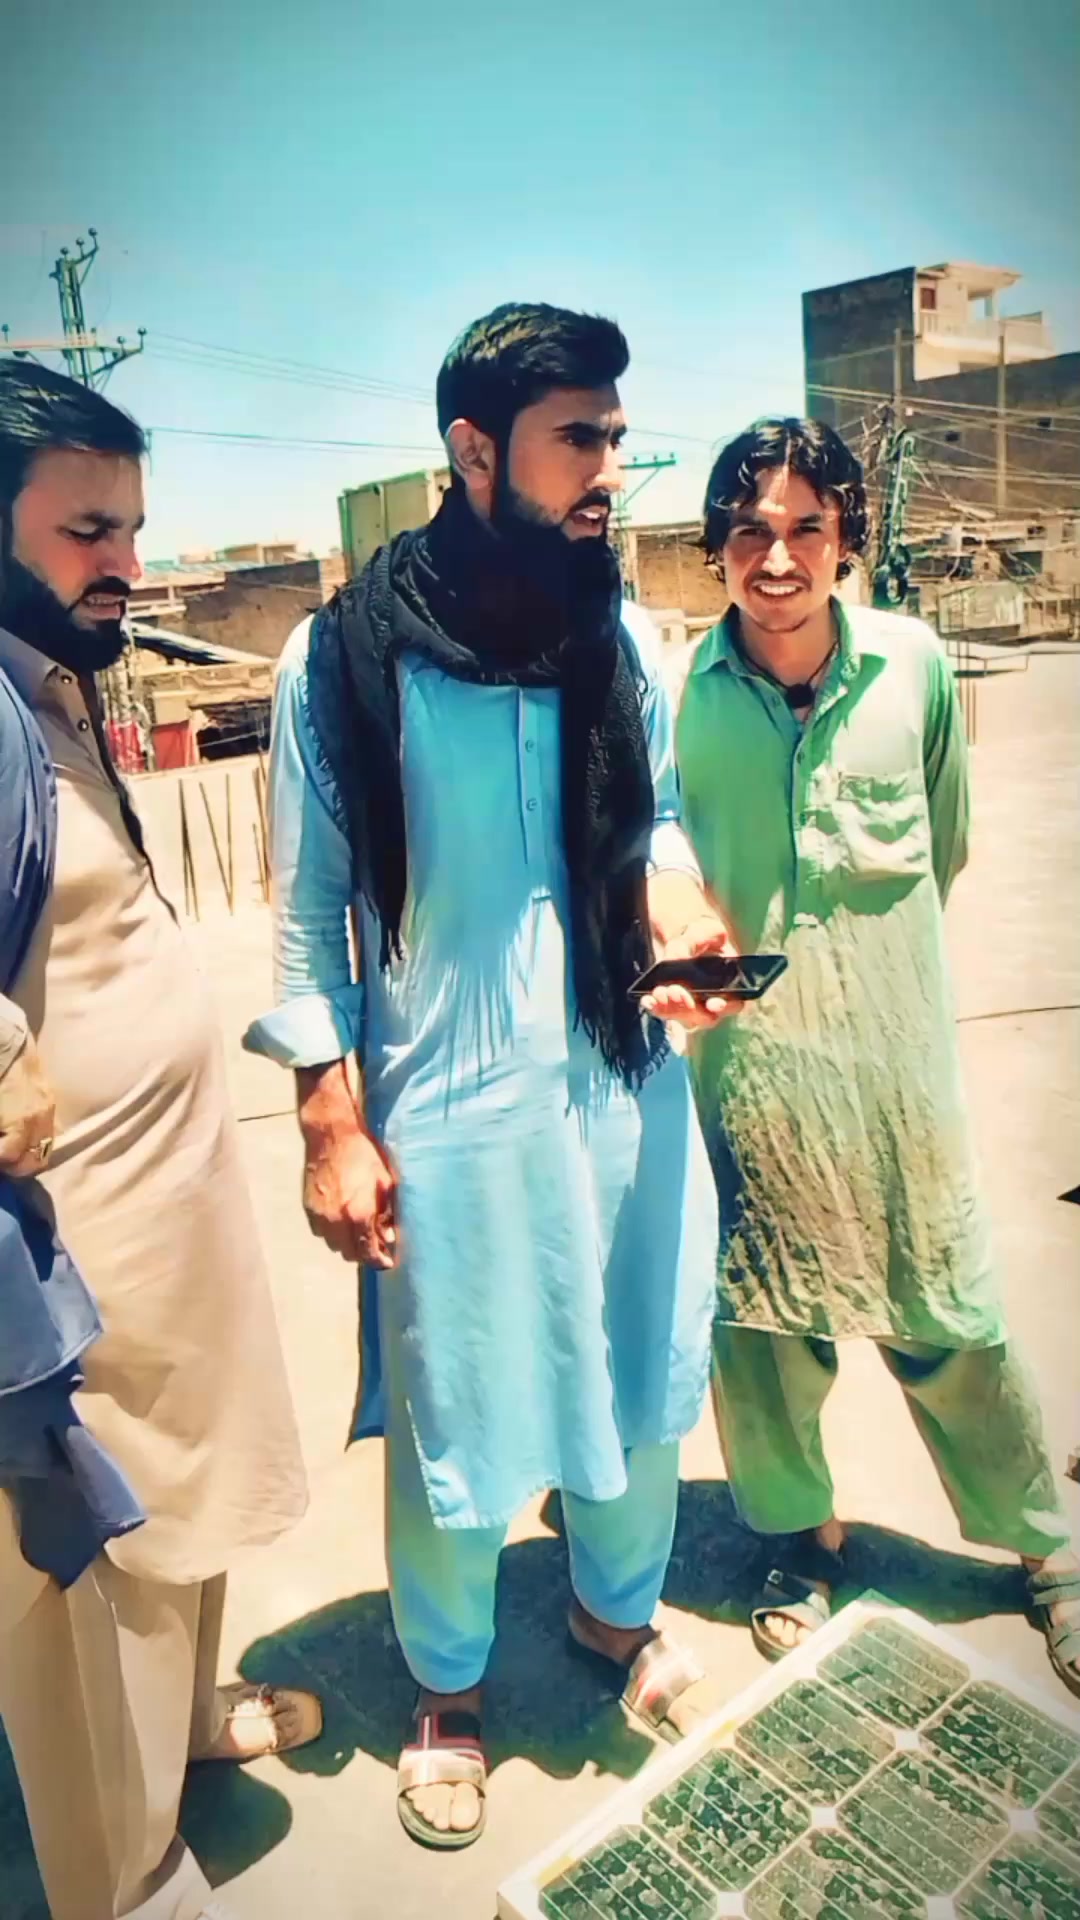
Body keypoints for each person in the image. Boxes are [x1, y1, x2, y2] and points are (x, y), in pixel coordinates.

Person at [245, 303, 732, 1849]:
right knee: (454, 1402)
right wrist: (330, 1116)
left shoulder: (621, 634)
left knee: (638, 1365)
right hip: (447, 1104)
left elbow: (652, 821)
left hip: (621, 1078)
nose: (611, 469)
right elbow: (310, 909)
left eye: (615, 435)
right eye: (578, 437)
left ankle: (615, 1610)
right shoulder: (343, 655)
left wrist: (679, 902)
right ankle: (447, 1685)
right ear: (473, 449)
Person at [674, 414, 1079, 1696]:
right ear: (716, 546)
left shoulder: (914, 666)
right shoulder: (681, 694)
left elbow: (944, 843)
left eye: (808, 528)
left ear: (846, 538)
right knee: (761, 1323)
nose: (778, 558)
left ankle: (1052, 1553)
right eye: (751, 531)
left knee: (951, 1317)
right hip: (749, 1078)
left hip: (897, 1066)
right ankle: (800, 1540)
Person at [0, 359, 321, 1920]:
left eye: (131, 526)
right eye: (87, 531)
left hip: (162, 1221)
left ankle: (188, 1737)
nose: (123, 561)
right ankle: (122, 1879)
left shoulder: (47, 685)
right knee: (92, 1581)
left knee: (184, 1513)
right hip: (71, 1269)